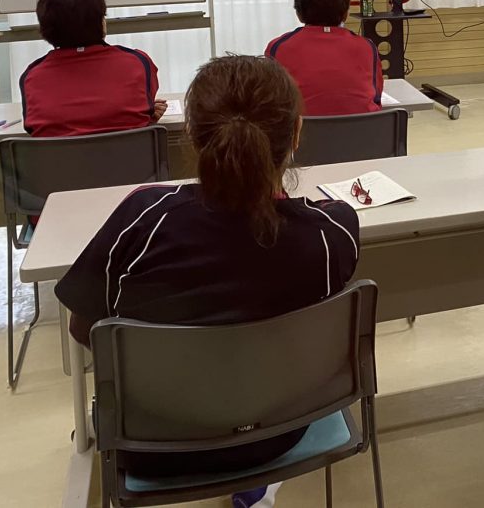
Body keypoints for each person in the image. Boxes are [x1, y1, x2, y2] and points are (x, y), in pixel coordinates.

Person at [55, 55, 360, 508]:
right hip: (279, 431)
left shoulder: (144, 219)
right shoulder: (332, 232)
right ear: (296, 134)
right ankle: (255, 485)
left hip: (152, 446)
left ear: (193, 137)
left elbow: (84, 333)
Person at [20, 0, 166, 137]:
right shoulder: (138, 63)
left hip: (58, 161)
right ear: (101, 22)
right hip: (129, 160)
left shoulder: (32, 77)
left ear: (44, 29)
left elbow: (34, 128)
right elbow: (142, 109)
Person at [266, 0, 383, 116]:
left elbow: (271, 105)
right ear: (346, 14)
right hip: (362, 137)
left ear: (299, 13)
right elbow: (376, 99)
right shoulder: (367, 47)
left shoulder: (277, 48)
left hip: (301, 137)